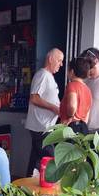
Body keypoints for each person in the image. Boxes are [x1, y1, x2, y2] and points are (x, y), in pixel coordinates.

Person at [24, 48, 64, 176]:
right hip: (41, 127)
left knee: (36, 161)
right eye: (59, 60)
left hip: (45, 126)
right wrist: (53, 108)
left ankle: (26, 187)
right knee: (51, 159)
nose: (61, 64)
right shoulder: (42, 75)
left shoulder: (49, 76)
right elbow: (34, 97)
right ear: (50, 59)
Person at [59, 57, 93, 134]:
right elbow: (88, 111)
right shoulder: (87, 89)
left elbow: (72, 105)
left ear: (72, 71)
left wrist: (70, 117)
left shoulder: (72, 85)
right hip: (83, 127)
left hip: (71, 127)